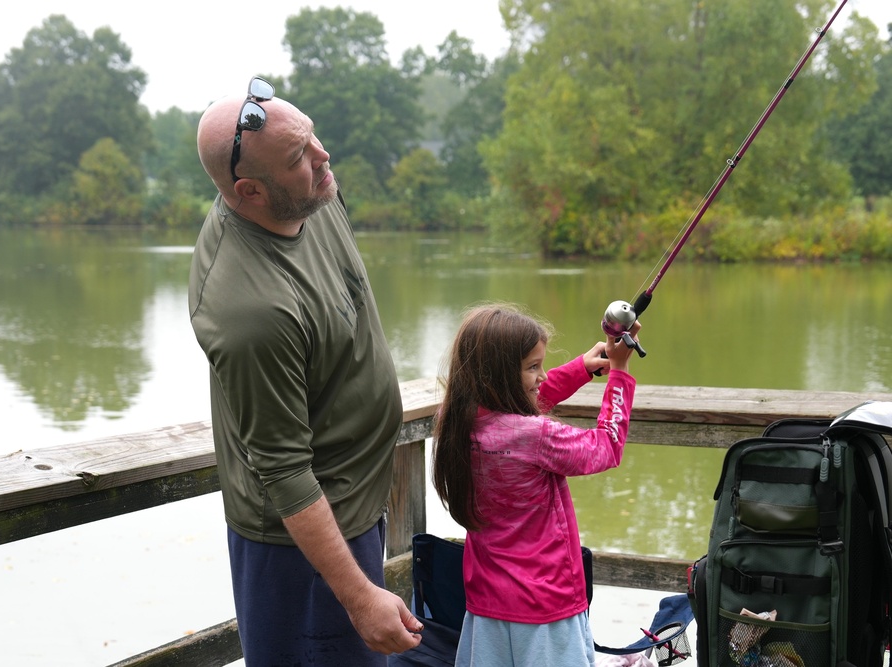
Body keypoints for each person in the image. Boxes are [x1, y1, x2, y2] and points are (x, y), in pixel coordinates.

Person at [188, 75, 423, 666]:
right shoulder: (249, 309)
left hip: (355, 508)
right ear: (250, 192)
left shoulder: (308, 194)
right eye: (300, 157)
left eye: (312, 138)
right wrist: (360, 597)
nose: (324, 158)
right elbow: (285, 471)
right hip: (302, 550)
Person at [431, 303, 641, 667]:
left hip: (487, 607)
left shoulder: (460, 421)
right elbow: (606, 447)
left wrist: (580, 369)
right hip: (545, 608)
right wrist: (619, 372)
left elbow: (523, 404)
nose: (542, 376)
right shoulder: (535, 436)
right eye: (532, 367)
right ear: (499, 377)